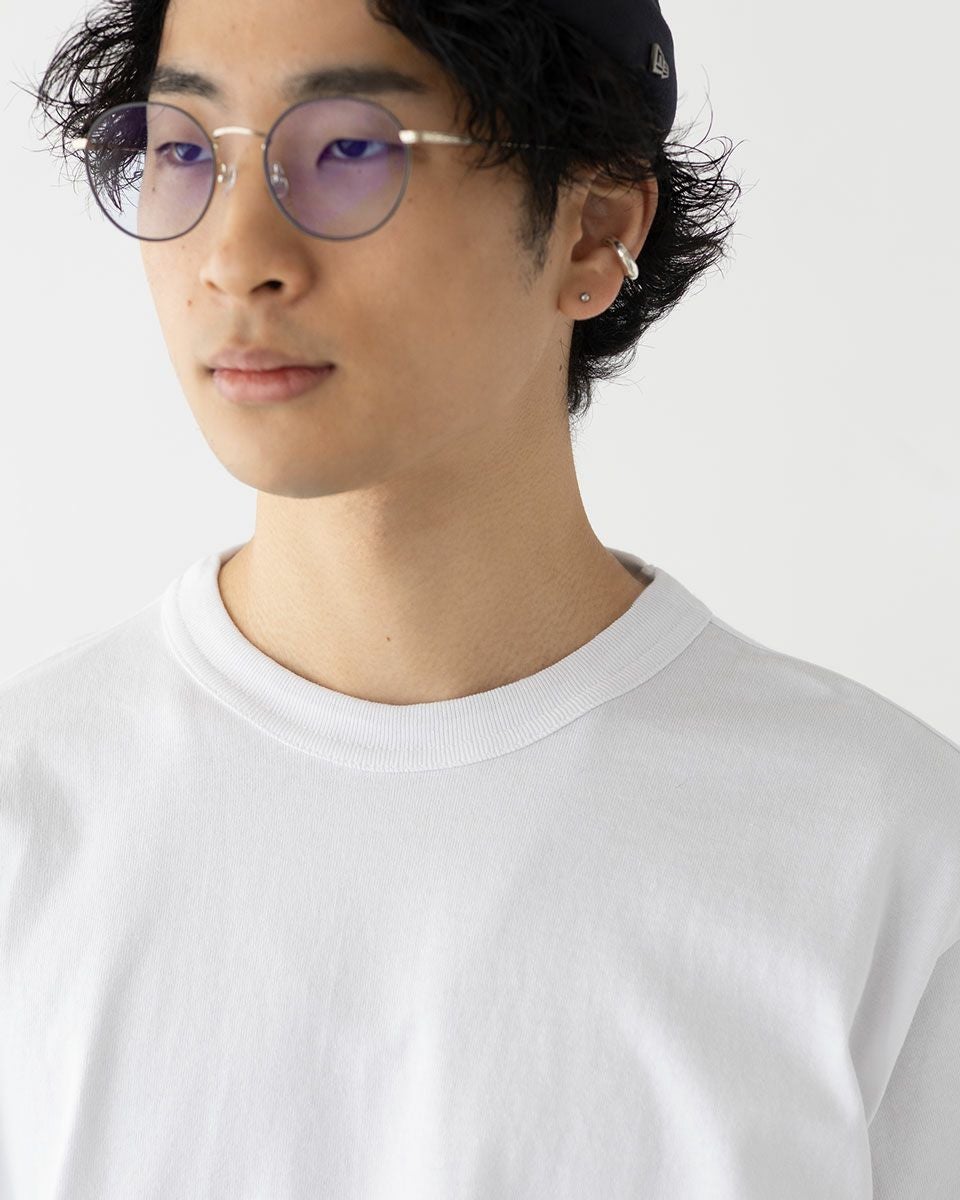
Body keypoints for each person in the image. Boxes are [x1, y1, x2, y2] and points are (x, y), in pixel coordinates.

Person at [2, 0, 957, 1196]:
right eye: (185, 150)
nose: (233, 255)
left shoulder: (890, 857)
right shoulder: (29, 825)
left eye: (350, 149)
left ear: (593, 230)